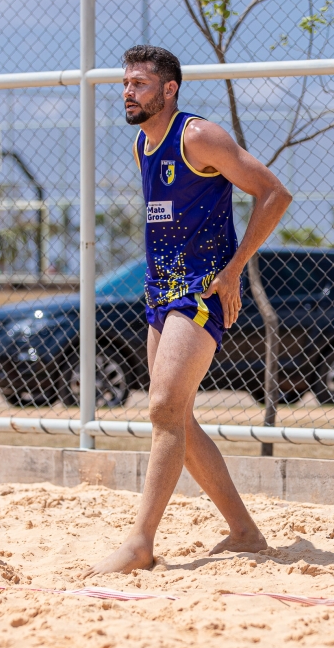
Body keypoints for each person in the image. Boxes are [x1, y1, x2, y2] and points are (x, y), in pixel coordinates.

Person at [86, 46, 292, 576]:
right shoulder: (142, 144)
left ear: (169, 89)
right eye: (125, 83)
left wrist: (235, 268)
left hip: (200, 290)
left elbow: (274, 193)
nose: (128, 92)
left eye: (139, 83)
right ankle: (244, 533)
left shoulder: (197, 136)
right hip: (160, 291)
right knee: (176, 416)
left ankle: (140, 543)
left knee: (162, 409)